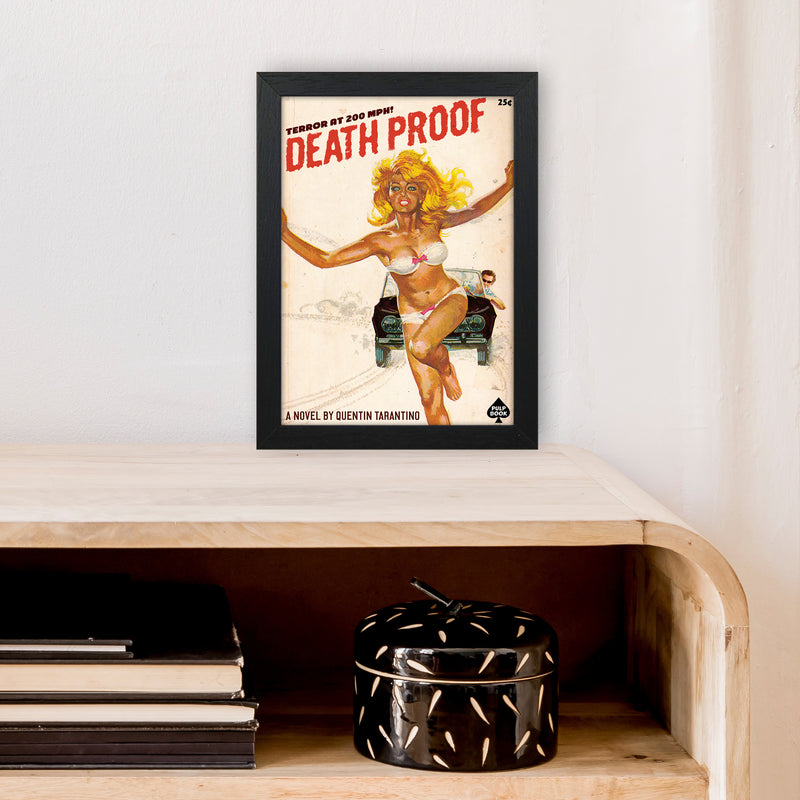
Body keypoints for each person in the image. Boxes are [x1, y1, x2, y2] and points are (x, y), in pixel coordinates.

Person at [281, 150, 513, 425]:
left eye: (411, 187)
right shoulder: (380, 240)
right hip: (412, 314)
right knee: (429, 398)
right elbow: (326, 259)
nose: (403, 193)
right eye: (395, 187)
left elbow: (476, 210)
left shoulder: (434, 221)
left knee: (422, 346)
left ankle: (445, 367)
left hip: (449, 298)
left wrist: (509, 184)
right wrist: (283, 233)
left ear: (422, 194)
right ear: (387, 195)